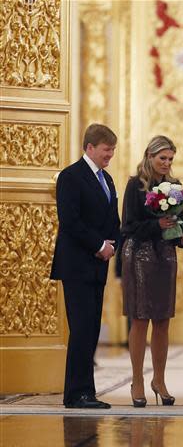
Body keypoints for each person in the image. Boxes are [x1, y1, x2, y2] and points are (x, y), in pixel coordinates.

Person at [121, 135, 183, 407]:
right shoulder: (135, 185)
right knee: (140, 319)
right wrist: (158, 225)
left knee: (163, 320)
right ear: (149, 157)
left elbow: (182, 223)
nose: (166, 163)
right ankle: (138, 380)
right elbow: (127, 226)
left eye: (170, 159)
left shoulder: (175, 187)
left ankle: (159, 379)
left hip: (165, 256)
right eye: (162, 158)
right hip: (139, 255)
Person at [50, 123, 120, 409]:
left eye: (113, 150)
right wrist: (98, 245)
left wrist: (113, 242)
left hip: (97, 265)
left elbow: (112, 217)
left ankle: (86, 392)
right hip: (77, 265)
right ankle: (75, 393)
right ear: (90, 147)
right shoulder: (71, 176)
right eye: (106, 150)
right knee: (80, 328)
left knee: (90, 328)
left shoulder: (108, 179)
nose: (110, 155)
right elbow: (70, 221)